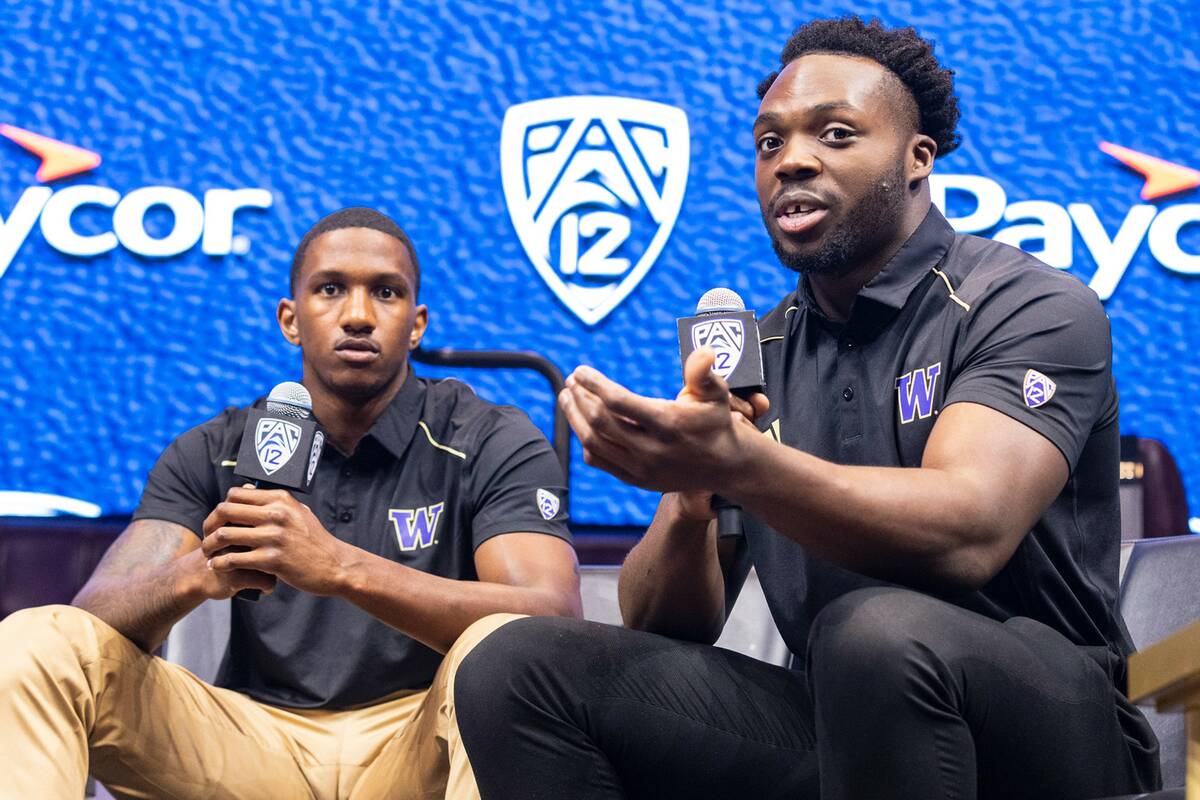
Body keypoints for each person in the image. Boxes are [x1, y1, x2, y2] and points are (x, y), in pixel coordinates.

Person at [454, 17, 1160, 800]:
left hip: (1054, 732)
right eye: (768, 144)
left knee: (875, 632)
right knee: (514, 668)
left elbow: (970, 529)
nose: (792, 160)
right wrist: (692, 495)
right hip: (844, 721)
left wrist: (743, 464)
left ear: (916, 158)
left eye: (834, 133)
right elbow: (665, 622)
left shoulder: (1027, 303)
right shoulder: (760, 352)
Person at [0, 207, 582, 799]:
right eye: (330, 289)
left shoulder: (485, 436)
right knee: (38, 639)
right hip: (249, 747)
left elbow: (549, 622)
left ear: (416, 324)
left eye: (386, 292)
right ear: (291, 319)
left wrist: (340, 569)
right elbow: (96, 614)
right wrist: (201, 570)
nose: (357, 315)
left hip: (420, 745)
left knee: (500, 649)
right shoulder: (217, 448)